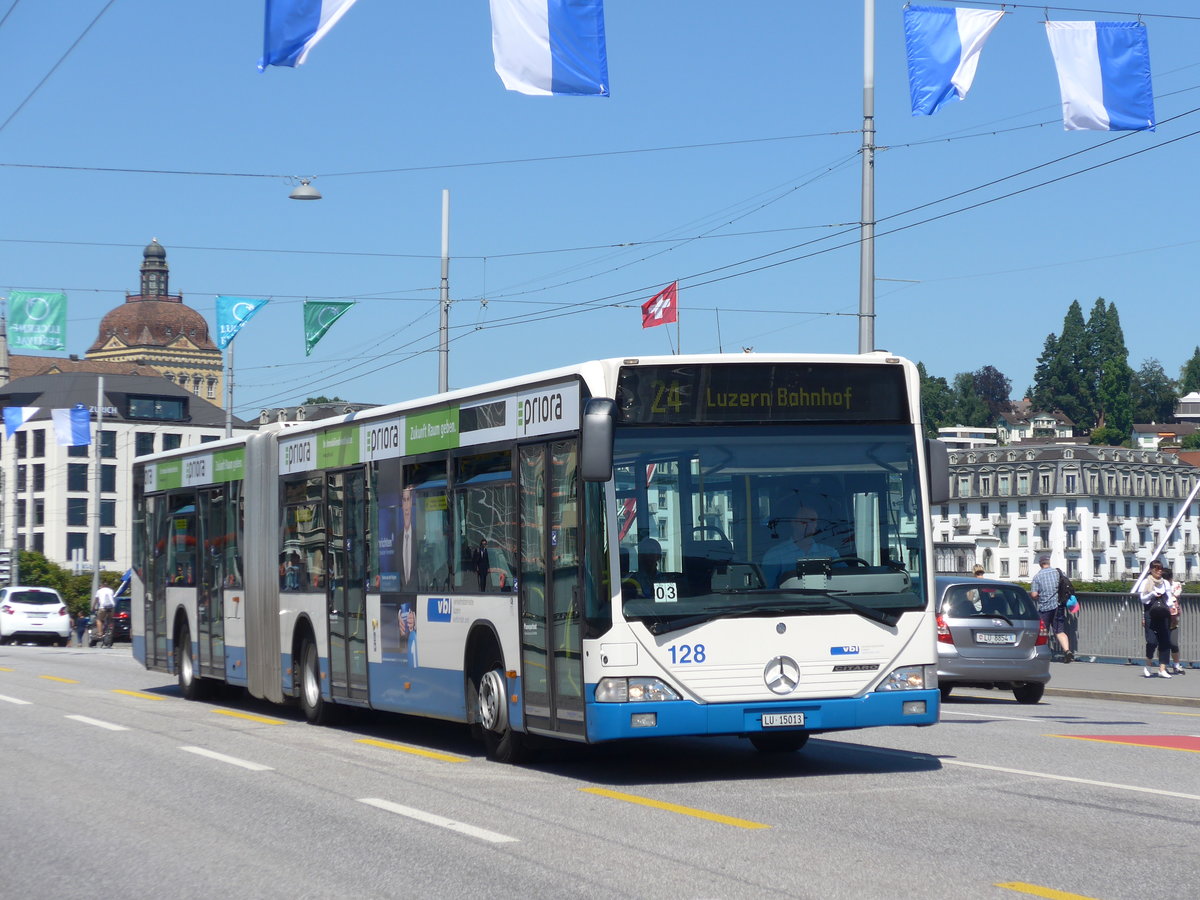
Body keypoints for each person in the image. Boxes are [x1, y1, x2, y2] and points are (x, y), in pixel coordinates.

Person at [761, 500, 840, 588]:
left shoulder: (830, 553)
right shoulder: (774, 555)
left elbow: (845, 580)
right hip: (788, 601)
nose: (810, 524)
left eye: (813, 520)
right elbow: (767, 591)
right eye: (804, 521)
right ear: (793, 522)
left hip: (831, 601)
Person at [1029, 555, 1073, 662]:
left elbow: (1034, 594)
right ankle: (1067, 651)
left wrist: (1039, 596)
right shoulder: (1057, 573)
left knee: (1043, 632)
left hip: (1044, 607)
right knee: (1059, 631)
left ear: (1040, 564)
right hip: (1058, 606)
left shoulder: (1037, 577)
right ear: (1049, 562)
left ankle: (1042, 654)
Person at [1139, 560, 1175, 678]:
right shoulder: (1145, 582)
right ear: (1150, 570)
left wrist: (1172, 609)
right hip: (1150, 614)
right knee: (1151, 641)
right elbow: (1143, 599)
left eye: (1160, 568)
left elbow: (1169, 599)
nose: (1159, 571)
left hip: (1164, 614)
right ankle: (1148, 665)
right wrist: (1152, 594)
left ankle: (1162, 668)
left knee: (1165, 641)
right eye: (1156, 568)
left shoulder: (1165, 583)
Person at [1166, 568, 1185, 675]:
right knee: (1162, 644)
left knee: (1173, 643)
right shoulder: (1158, 585)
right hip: (1161, 616)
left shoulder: (1176, 585)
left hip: (1173, 617)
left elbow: (1175, 595)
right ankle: (1163, 664)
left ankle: (1176, 664)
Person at [92, 583, 115, 647]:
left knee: (99, 620)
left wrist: (93, 607)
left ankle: (100, 633)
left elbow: (96, 600)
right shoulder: (111, 590)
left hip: (103, 607)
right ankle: (111, 628)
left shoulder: (99, 591)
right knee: (111, 619)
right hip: (111, 607)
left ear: (101, 586)